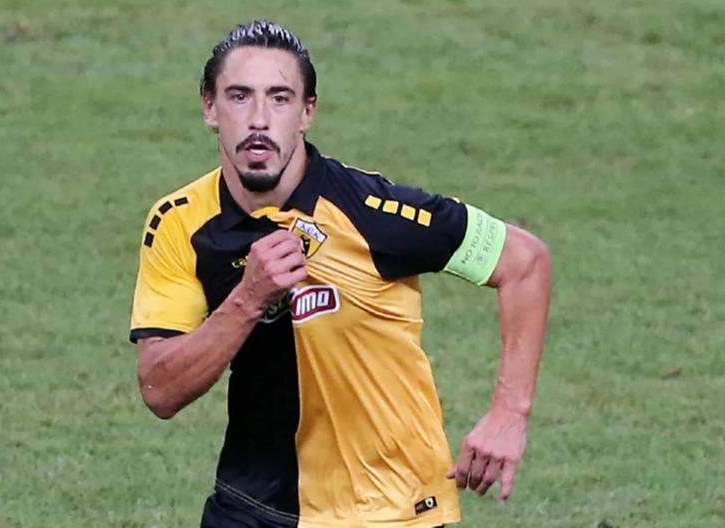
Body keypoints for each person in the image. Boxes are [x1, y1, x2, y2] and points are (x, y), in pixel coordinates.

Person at [130, 19, 551, 528]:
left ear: (307, 112)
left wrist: (509, 415)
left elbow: (525, 262)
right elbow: (159, 391)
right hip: (249, 506)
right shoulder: (179, 222)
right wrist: (247, 301)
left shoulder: (374, 213)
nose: (259, 119)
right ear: (209, 108)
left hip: (383, 512)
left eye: (280, 98)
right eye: (239, 96)